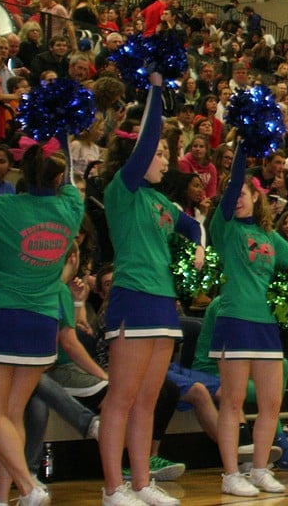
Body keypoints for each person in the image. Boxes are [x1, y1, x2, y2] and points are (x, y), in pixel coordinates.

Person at [99, 72, 206, 506]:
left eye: (167, 155)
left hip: (164, 304)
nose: (166, 161)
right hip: (132, 300)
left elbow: (194, 226)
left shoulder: (163, 202)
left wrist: (198, 249)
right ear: (138, 158)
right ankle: (112, 488)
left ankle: (142, 482)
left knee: (147, 399)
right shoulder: (122, 190)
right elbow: (146, 141)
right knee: (121, 399)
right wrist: (157, 92)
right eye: (161, 154)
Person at [0, 137, 83, 506]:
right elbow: (68, 171)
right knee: (11, 413)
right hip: (41, 325)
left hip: (2, 320)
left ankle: (29, 486)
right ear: (57, 178)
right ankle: (0, 497)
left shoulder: (1, 208)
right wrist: (62, 131)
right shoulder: (71, 207)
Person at [210, 148, 288, 497]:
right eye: (231, 194)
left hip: (266, 326)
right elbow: (235, 178)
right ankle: (230, 474)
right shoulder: (224, 227)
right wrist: (243, 146)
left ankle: (260, 469)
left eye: (242, 194)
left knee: (270, 404)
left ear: (257, 197)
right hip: (235, 320)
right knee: (233, 403)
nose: (235, 199)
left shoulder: (269, 237)